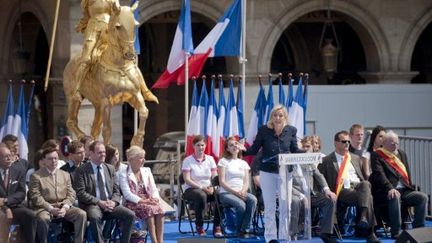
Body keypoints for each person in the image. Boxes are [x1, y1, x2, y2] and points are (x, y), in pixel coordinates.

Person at [242, 105, 304, 243]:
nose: (277, 118)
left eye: (280, 115)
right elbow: (254, 149)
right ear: (271, 117)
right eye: (275, 115)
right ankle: (270, 237)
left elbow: (294, 149)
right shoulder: (264, 130)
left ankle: (284, 236)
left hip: (285, 172)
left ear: (285, 117)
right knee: (270, 206)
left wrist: (307, 152)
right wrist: (243, 151)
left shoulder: (291, 130)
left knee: (285, 206)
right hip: (267, 172)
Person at [319, 130, 380, 243]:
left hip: (359, 189)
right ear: (336, 143)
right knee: (368, 197)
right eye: (344, 141)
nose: (347, 143)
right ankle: (370, 234)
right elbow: (320, 180)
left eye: (348, 141)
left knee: (366, 185)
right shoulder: (326, 160)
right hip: (342, 191)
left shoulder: (356, 158)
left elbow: (362, 176)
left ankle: (363, 216)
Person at [370, 131, 428, 239]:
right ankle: (396, 231)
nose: (395, 145)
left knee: (422, 197)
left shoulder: (401, 153)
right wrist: (390, 188)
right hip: (385, 191)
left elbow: (407, 172)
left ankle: (418, 229)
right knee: (394, 195)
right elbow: (379, 175)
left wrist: (410, 186)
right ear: (384, 143)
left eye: (397, 143)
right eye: (392, 143)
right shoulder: (377, 155)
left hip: (404, 190)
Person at [74, 141, 135, 243]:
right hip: (93, 204)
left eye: (104, 152)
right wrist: (99, 202)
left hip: (110, 203)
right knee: (95, 216)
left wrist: (114, 202)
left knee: (130, 215)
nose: (103, 155)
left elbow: (116, 190)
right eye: (99, 152)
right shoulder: (82, 170)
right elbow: (80, 193)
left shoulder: (110, 168)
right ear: (91, 154)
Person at [28, 147, 87, 243]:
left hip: (62, 206)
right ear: (43, 160)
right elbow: (35, 197)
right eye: (50, 158)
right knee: (43, 219)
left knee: (81, 214)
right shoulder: (36, 176)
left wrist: (65, 207)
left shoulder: (64, 174)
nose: (53, 161)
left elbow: (71, 193)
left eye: (55, 158)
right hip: (45, 208)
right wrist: (50, 208)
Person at [74, 0, 120, 98]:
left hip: (108, 29)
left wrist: (117, 9)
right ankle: (77, 89)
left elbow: (117, 15)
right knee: (86, 58)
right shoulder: (88, 1)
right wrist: (80, 25)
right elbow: (86, 16)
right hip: (93, 29)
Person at [120, 146, 164, 243]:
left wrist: (155, 198)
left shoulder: (146, 170)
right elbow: (127, 194)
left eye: (143, 157)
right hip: (132, 202)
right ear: (131, 159)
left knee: (160, 210)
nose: (143, 160)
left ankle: (160, 241)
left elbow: (154, 188)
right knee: (149, 209)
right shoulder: (123, 173)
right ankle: (154, 240)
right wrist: (142, 200)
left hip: (148, 200)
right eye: (140, 157)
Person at [181, 135, 222, 237]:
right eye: (198, 145)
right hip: (191, 189)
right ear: (193, 146)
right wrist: (201, 187)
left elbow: (214, 177)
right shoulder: (187, 160)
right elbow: (187, 180)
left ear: (205, 146)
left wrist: (213, 187)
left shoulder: (210, 159)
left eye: (202, 145)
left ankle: (217, 226)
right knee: (201, 195)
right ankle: (199, 226)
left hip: (208, 188)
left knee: (220, 194)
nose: (200, 147)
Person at [217, 137, 257, 238]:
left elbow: (246, 182)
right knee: (241, 205)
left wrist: (243, 191)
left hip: (240, 192)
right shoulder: (223, 161)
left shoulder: (243, 163)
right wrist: (236, 193)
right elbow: (222, 182)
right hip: (226, 193)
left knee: (253, 199)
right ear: (227, 149)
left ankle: (244, 229)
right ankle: (238, 231)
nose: (234, 146)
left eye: (236, 144)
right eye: (231, 145)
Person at [0, 143, 38, 242]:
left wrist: (6, 201)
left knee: (30, 215)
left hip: (13, 205)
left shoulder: (18, 170)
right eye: (5, 157)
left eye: (10, 156)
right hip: (0, 209)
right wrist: (5, 208)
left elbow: (21, 193)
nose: (9, 159)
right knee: (2, 217)